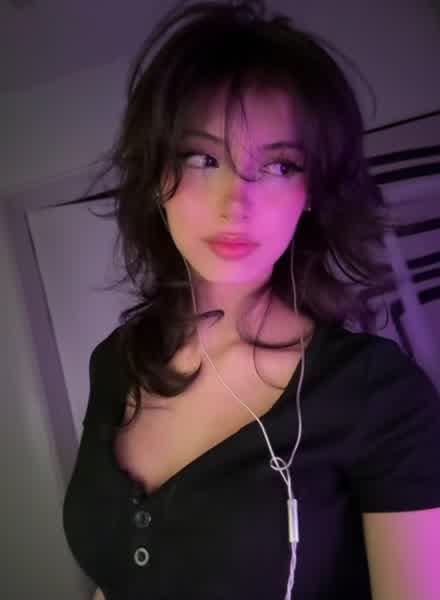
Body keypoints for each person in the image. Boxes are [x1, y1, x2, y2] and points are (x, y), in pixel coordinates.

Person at [62, 1, 440, 599]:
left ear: (313, 189)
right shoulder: (116, 362)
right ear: (156, 176)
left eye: (280, 166)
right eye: (203, 158)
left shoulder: (379, 394)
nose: (235, 202)